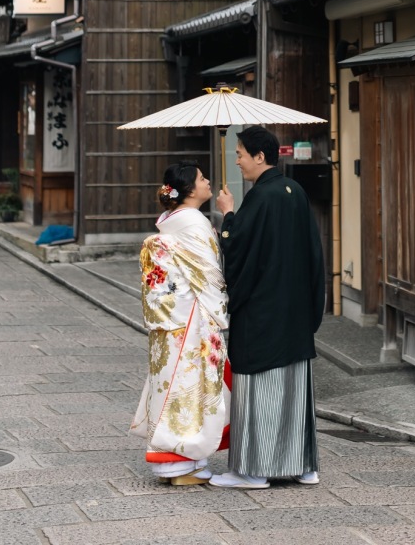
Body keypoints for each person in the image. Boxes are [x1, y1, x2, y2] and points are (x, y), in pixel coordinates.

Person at [211, 125, 325, 489]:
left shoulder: (261, 197)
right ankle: (304, 466)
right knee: (295, 391)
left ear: (260, 156)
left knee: (259, 389)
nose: (238, 160)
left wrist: (227, 215)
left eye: (241, 154)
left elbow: (238, 248)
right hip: (295, 310)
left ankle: (254, 470)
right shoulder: (294, 191)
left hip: (263, 314)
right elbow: (314, 254)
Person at [130, 162, 231, 485]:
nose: (208, 181)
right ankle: (181, 461)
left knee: (169, 382)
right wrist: (223, 310)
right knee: (190, 385)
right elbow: (209, 273)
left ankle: (175, 462)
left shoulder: (171, 221)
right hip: (191, 317)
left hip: (170, 319)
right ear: (188, 189)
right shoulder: (193, 221)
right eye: (202, 178)